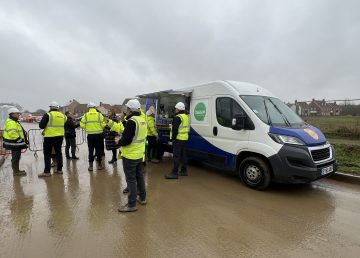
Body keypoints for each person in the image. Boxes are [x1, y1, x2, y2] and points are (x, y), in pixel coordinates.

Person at [117, 99, 147, 212]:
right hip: (139, 154)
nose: (126, 110)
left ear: (130, 109)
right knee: (139, 177)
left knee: (131, 180)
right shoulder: (142, 119)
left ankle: (132, 204)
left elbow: (127, 140)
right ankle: (143, 198)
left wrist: (118, 141)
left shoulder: (132, 121)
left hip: (130, 155)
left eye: (127, 108)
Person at [38, 101, 66, 177]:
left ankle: (47, 172)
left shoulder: (48, 115)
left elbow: (41, 126)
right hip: (60, 136)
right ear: (58, 108)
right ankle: (59, 170)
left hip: (49, 137)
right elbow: (64, 124)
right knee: (58, 153)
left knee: (47, 154)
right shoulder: (63, 116)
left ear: (50, 107)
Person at [165, 102, 190, 179]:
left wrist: (173, 139)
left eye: (176, 108)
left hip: (178, 139)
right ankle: (184, 171)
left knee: (176, 156)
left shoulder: (177, 117)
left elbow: (175, 130)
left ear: (178, 109)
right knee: (183, 156)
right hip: (185, 139)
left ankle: (174, 173)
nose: (175, 109)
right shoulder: (186, 116)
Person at [80, 102, 106, 171]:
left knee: (90, 150)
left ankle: (90, 166)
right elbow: (104, 124)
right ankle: (99, 165)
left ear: (89, 108)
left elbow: (82, 125)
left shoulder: (85, 115)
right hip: (99, 135)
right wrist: (99, 128)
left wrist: (87, 128)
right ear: (94, 107)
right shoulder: (99, 115)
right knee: (98, 150)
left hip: (90, 136)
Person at [2, 107, 28, 176]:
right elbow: (13, 134)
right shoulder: (12, 123)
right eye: (17, 114)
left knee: (16, 157)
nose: (19, 115)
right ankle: (16, 172)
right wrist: (21, 141)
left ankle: (17, 170)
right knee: (15, 158)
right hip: (14, 143)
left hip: (15, 143)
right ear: (12, 114)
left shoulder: (14, 121)